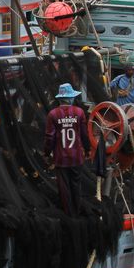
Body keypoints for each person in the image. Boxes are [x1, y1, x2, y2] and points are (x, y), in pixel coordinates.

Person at [44, 83, 90, 216]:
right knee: (76, 185)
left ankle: (68, 214)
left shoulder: (52, 114)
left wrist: (46, 154)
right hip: (76, 157)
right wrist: (87, 150)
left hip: (60, 158)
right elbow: (84, 134)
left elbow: (49, 137)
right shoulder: (79, 112)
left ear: (60, 98)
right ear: (70, 98)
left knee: (64, 188)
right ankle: (76, 212)